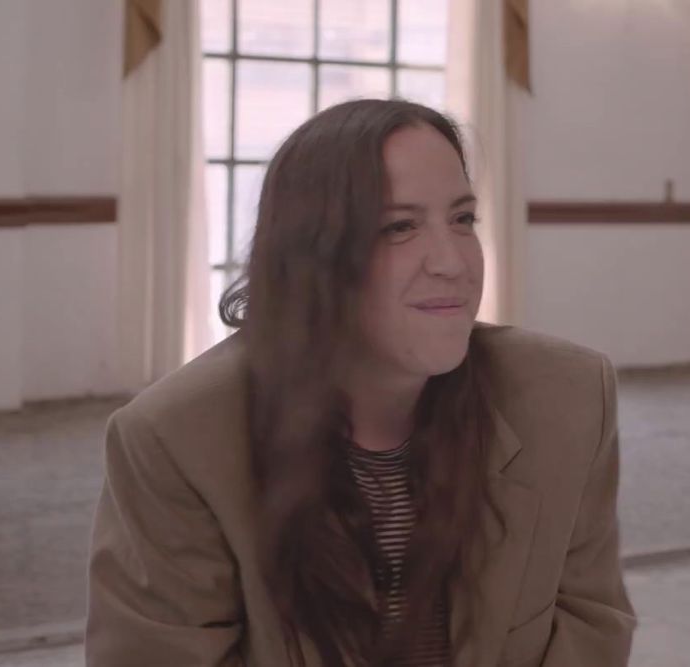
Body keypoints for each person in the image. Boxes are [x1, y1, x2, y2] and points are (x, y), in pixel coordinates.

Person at [86, 99, 634, 667]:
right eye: (399, 226)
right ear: (312, 255)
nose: (452, 261)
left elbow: (591, 622)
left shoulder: (567, 396)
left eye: (462, 219)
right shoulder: (173, 438)